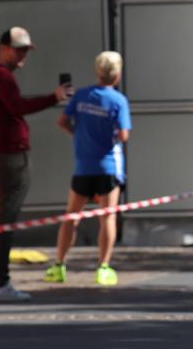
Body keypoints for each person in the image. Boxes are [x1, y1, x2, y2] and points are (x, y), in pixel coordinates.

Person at [0, 27, 70, 302]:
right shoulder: (1, 76)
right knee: (5, 219)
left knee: (0, 219)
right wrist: (54, 97)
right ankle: (0, 283)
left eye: (26, 49)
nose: (22, 54)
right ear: (3, 48)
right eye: (18, 48)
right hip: (8, 156)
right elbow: (17, 107)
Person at [43, 51, 131, 286]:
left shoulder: (81, 95)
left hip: (83, 166)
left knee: (71, 217)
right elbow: (123, 135)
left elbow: (62, 121)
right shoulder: (118, 101)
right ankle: (103, 267)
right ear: (117, 74)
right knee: (107, 218)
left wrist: (78, 135)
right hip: (109, 167)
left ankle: (59, 265)